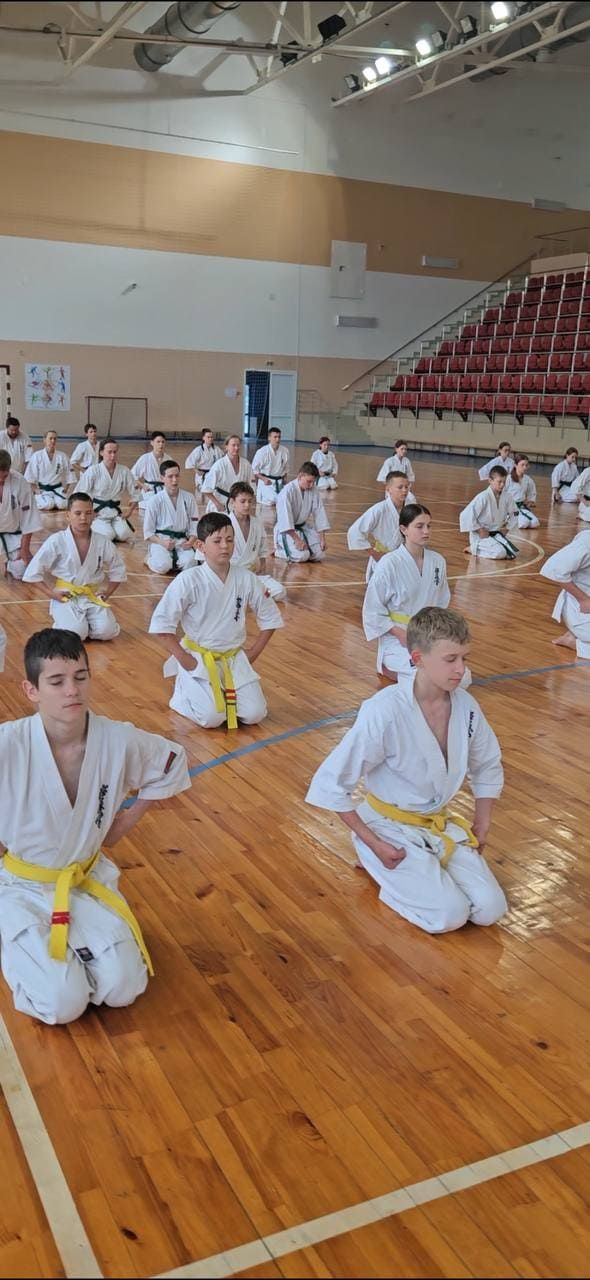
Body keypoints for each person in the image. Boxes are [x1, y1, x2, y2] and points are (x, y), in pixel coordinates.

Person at [0, 628, 190, 1024]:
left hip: (85, 878)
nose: (72, 690)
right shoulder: (9, 744)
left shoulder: (116, 739)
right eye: (57, 681)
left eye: (80, 677)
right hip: (23, 886)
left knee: (124, 988)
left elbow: (172, 761)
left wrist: (121, 825)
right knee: (62, 1004)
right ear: (31, 690)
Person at [306, 607, 507, 935]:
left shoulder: (466, 707)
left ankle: (425, 871)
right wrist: (374, 843)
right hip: (388, 826)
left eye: (464, 658)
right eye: (451, 659)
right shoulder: (385, 711)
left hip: (436, 822)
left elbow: (486, 765)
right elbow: (332, 784)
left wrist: (482, 823)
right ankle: (374, 861)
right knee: (450, 915)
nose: (461, 669)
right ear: (417, 658)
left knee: (490, 909)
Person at [149, 512, 283, 729]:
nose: (225, 546)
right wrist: (185, 659)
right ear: (200, 546)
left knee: (255, 714)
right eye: (217, 541)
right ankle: (182, 694)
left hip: (233, 657)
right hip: (199, 658)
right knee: (211, 718)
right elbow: (162, 626)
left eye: (229, 540)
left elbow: (270, 618)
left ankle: (218, 693)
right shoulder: (188, 579)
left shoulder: (246, 578)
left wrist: (253, 653)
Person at [362, 505, 451, 679]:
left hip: (428, 635)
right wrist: (399, 633)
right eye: (419, 526)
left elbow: (441, 602)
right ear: (404, 529)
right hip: (398, 638)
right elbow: (372, 610)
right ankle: (388, 666)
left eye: (429, 526)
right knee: (424, 675)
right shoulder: (389, 564)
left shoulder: (438, 561)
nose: (426, 531)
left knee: (459, 674)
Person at [22, 492, 125, 641]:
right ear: (68, 515)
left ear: (94, 515)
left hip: (91, 595)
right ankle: (71, 625)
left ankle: (84, 625)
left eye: (88, 513)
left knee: (107, 631)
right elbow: (33, 572)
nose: (83, 518)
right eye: (78, 513)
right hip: (65, 595)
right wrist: (52, 594)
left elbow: (118, 570)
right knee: (75, 634)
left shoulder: (102, 541)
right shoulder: (57, 540)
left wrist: (107, 593)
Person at [347, 471, 410, 580]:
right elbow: (355, 531)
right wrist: (373, 553)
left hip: (404, 558)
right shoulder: (379, 509)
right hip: (383, 558)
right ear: (388, 489)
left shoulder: (411, 509)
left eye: (406, 487)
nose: (404, 490)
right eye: (400, 487)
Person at [228, 482, 286, 600]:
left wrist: (263, 566)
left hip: (251, 575)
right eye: (243, 501)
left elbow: (262, 549)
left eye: (250, 501)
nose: (247, 505)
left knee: (280, 591)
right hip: (230, 575)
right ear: (232, 502)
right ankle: (248, 596)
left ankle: (245, 596)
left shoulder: (257, 523)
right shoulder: (225, 523)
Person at [142, 460, 199, 574]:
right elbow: (148, 532)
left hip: (182, 541)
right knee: (163, 566)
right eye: (170, 476)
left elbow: (194, 524)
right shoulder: (154, 501)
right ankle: (148, 559)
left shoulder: (189, 498)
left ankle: (176, 562)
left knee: (191, 563)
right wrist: (163, 543)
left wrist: (191, 541)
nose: (174, 480)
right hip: (161, 541)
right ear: (162, 478)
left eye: (177, 476)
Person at [78, 438, 140, 541]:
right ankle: (93, 527)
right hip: (98, 513)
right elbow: (80, 494)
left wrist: (129, 512)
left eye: (115, 452)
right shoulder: (93, 470)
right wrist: (89, 512)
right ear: (101, 452)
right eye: (109, 452)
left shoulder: (124, 470)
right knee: (108, 535)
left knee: (124, 534)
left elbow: (136, 494)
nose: (113, 455)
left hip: (116, 513)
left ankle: (110, 529)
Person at [540, 529, 590, 655]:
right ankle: (575, 640)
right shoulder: (587, 542)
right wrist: (583, 599)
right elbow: (554, 568)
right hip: (582, 605)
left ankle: (573, 636)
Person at [274, 462, 329, 562]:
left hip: (303, 528)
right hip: (287, 531)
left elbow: (319, 513)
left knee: (320, 554)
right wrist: (297, 540)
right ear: (300, 476)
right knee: (303, 556)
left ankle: (294, 550)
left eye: (313, 482)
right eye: (309, 481)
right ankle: (279, 551)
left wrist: (322, 539)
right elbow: (285, 521)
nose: (311, 485)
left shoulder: (313, 490)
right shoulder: (287, 492)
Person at [0, 449, 43, 579]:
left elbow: (29, 518)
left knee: (23, 570)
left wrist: (25, 550)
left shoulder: (19, 481)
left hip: (11, 536)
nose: (1, 480)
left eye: (4, 476)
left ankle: (9, 564)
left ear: (9, 469)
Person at [459, 466, 518, 559]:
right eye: (499, 482)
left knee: (512, 553)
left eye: (504, 481)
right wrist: (479, 529)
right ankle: (473, 548)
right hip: (481, 536)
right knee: (501, 553)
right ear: (490, 480)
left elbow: (515, 513)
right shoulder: (483, 497)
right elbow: (465, 515)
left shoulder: (507, 497)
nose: (502, 485)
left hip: (496, 534)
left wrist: (507, 528)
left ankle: (480, 548)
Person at [202, 435, 253, 512]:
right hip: (220, 504)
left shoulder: (246, 464)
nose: (236, 448)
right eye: (233, 445)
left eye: (238, 445)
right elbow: (206, 489)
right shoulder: (219, 465)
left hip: (238, 505)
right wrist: (217, 504)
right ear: (226, 447)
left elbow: (252, 487)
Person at [25, 431, 72, 510]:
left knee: (63, 505)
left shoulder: (62, 456)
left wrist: (66, 489)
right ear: (44, 440)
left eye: (55, 439)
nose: (53, 441)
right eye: (50, 438)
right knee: (48, 505)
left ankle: (54, 501)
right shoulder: (37, 456)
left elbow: (70, 474)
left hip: (58, 489)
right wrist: (36, 490)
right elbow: (29, 477)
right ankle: (37, 499)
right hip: (43, 490)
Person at [131, 431, 173, 508]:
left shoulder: (169, 459)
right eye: (158, 442)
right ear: (152, 443)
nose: (161, 444)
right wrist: (142, 486)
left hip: (164, 490)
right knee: (149, 508)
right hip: (149, 490)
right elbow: (132, 475)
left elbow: (173, 477)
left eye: (163, 442)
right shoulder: (145, 458)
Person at [251, 428, 289, 506]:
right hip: (267, 482)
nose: (277, 439)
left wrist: (285, 478)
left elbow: (285, 468)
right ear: (269, 438)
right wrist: (263, 479)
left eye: (279, 437)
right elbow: (254, 470)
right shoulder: (262, 451)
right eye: (275, 437)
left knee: (287, 498)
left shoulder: (285, 451)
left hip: (279, 482)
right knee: (274, 500)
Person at [505, 454, 539, 529]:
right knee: (524, 523)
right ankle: (507, 519)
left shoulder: (528, 479)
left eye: (526, 465)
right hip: (510, 509)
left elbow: (532, 493)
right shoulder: (509, 478)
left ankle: (516, 519)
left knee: (535, 523)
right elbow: (501, 494)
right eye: (522, 465)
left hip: (522, 507)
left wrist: (530, 501)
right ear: (515, 465)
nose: (525, 467)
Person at [184, 429, 223, 493]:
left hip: (213, 474)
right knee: (201, 493)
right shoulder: (198, 450)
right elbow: (189, 462)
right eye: (208, 437)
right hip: (201, 475)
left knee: (212, 492)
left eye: (211, 437)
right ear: (203, 438)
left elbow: (222, 460)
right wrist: (196, 471)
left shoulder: (217, 449)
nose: (210, 439)